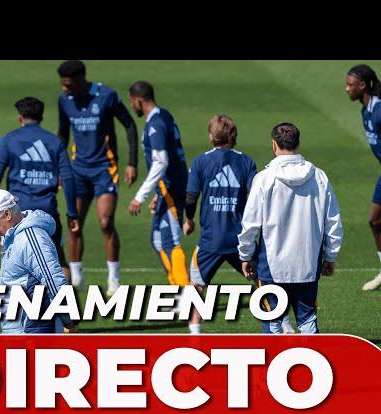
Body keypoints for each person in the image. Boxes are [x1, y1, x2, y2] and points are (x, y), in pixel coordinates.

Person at [183, 114, 294, 334]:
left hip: (210, 241)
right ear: (233, 136)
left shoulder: (200, 162)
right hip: (240, 240)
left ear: (211, 136)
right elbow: (257, 196)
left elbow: (191, 197)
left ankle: (195, 334)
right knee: (262, 281)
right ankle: (284, 324)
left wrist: (189, 219)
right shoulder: (246, 162)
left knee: (195, 286)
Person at [238, 123, 343, 334]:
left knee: (272, 322)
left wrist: (245, 255)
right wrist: (330, 256)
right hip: (308, 263)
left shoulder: (264, 179)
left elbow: (250, 224)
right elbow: (333, 221)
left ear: (274, 145)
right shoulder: (319, 177)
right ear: (298, 144)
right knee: (308, 320)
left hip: (272, 265)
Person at [57, 60, 139, 294]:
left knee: (105, 223)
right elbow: (62, 135)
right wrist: (59, 169)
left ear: (81, 79)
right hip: (78, 170)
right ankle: (77, 279)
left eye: (68, 84)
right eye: (62, 84)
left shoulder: (106, 95)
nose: (64, 88)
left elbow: (129, 125)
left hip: (105, 169)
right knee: (74, 224)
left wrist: (132, 162)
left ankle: (114, 278)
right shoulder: (65, 100)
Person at [0, 97, 79, 280]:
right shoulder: (54, 141)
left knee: (11, 259)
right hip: (47, 210)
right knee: (58, 260)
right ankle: (66, 298)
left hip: (15, 213)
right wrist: (72, 213)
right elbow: (68, 178)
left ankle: (16, 298)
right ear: (41, 117)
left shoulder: (9, 140)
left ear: (20, 118)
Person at [0, 189, 75, 333]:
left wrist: (68, 319)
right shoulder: (13, 237)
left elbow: (53, 281)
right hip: (19, 330)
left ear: (7, 214)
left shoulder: (30, 238)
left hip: (32, 331)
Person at [127, 81, 190, 290]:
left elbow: (161, 161)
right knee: (158, 241)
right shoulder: (164, 115)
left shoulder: (156, 123)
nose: (131, 106)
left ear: (138, 100)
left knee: (170, 241)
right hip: (167, 189)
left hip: (173, 189)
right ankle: (178, 287)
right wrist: (158, 192)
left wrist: (140, 196)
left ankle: (186, 294)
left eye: (131, 101)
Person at [345, 64, 381, 291]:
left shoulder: (379, 111)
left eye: (350, 85)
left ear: (363, 85)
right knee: (375, 220)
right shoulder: (365, 111)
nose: (346, 89)